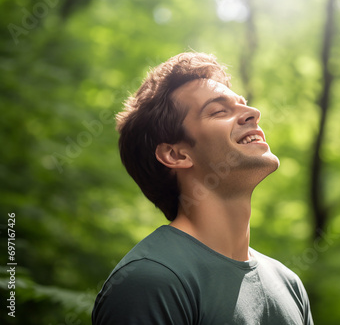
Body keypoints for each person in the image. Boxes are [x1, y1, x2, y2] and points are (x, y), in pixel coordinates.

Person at [92, 52, 314, 325]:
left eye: (243, 104)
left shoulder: (289, 285)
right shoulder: (149, 281)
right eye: (219, 111)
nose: (253, 113)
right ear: (176, 155)